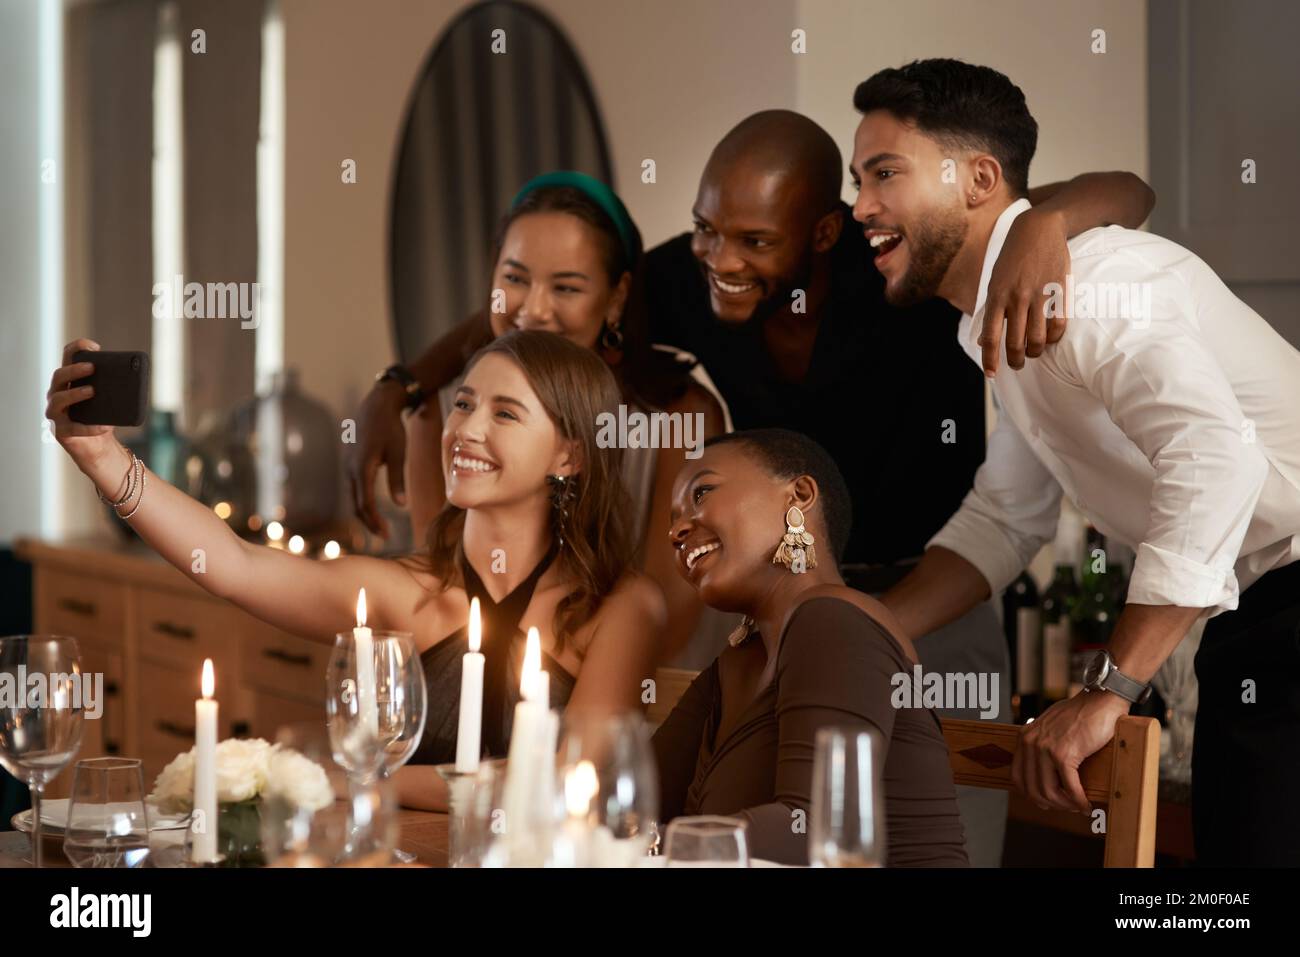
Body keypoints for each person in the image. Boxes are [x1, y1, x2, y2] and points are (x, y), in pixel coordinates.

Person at [851, 58, 1300, 866]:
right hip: (1256, 620)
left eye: (886, 173)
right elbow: (1006, 515)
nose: (861, 206)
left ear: (978, 178)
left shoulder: (1091, 289)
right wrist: (864, 626)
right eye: (859, 178)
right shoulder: (1009, 321)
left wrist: (1108, 691)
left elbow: (1215, 458)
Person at [46, 331, 664, 812]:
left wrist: (351, 777)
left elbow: (563, 782)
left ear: (570, 453)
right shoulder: (406, 593)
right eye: (465, 403)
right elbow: (233, 564)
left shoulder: (620, 607)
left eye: (505, 414)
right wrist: (103, 458)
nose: (466, 430)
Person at [365, 172, 727, 658]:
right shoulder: (440, 412)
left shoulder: (679, 419)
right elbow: (437, 590)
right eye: (514, 279)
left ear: (617, 297)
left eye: (567, 288)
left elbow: (668, 619)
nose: (533, 310)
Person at [653, 429, 968, 866]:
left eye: (702, 492)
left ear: (799, 495)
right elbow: (632, 806)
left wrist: (648, 845)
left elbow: (812, 833)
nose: (675, 530)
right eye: (673, 517)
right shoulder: (738, 662)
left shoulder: (834, 619)